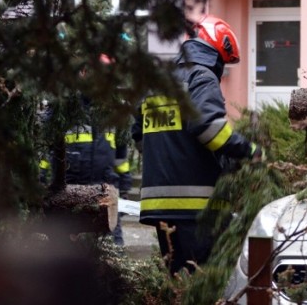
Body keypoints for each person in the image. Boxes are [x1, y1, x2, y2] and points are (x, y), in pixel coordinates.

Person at [132, 14, 265, 275]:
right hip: (197, 208)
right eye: (223, 62)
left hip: (159, 207)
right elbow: (210, 129)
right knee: (203, 283)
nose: (221, 68)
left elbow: (138, 134)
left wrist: (166, 158)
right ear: (216, 51)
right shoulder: (201, 77)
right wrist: (249, 151)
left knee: (177, 284)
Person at [39, 94, 132, 246]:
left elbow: (121, 154)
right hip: (69, 194)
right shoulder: (63, 106)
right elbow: (47, 148)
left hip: (106, 192)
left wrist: (125, 186)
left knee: (113, 250)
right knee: (65, 251)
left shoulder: (114, 108)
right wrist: (41, 177)